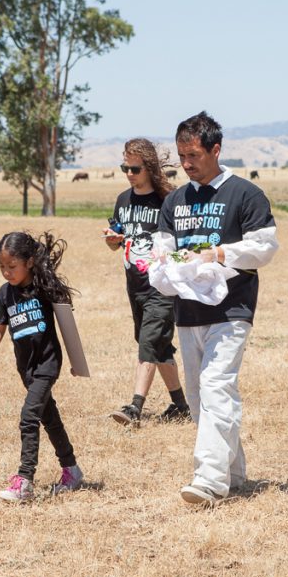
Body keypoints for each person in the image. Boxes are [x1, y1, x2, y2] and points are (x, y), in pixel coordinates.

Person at [153, 112, 278, 506]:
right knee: (197, 396)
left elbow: (265, 246)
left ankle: (208, 479)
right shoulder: (175, 200)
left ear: (216, 150)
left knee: (216, 386)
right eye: (181, 156)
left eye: (193, 155)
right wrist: (160, 262)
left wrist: (221, 253)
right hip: (188, 312)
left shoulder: (246, 194)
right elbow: (163, 246)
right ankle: (234, 470)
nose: (186, 164)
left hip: (232, 309)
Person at [0, 231, 83, 502]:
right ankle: (71, 469)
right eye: (2, 267)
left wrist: (76, 362)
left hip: (47, 364)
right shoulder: (5, 294)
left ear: (30, 262)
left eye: (12, 267)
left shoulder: (43, 288)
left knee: (28, 417)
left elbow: (66, 324)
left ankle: (25, 481)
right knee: (49, 417)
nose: (6, 272)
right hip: (26, 369)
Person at [104, 138, 190, 427]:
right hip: (135, 287)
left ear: (149, 167)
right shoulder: (122, 200)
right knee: (159, 347)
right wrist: (112, 240)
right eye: (125, 167)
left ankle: (134, 408)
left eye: (135, 168)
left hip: (161, 288)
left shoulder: (168, 200)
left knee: (148, 345)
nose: (129, 173)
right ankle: (180, 406)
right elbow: (115, 242)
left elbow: (183, 243)